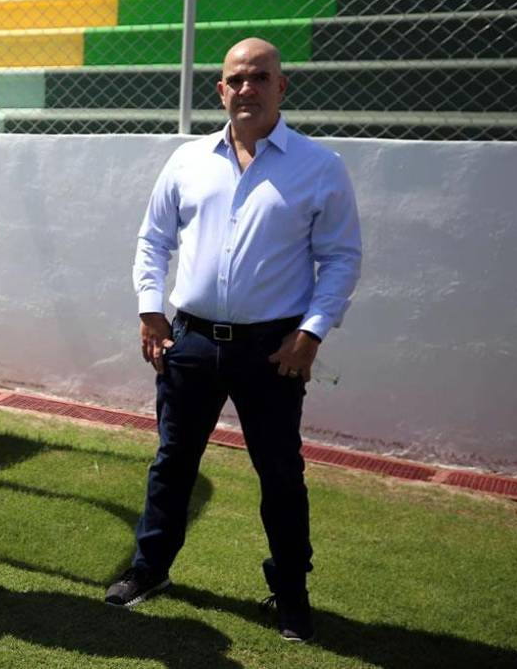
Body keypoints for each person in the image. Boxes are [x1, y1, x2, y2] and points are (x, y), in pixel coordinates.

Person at [107, 38, 362, 642]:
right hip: (189, 343)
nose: (246, 88)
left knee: (279, 472)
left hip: (273, 350)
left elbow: (342, 260)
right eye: (235, 79)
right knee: (172, 464)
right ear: (219, 90)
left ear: (282, 86)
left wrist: (310, 334)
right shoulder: (188, 161)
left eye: (259, 77)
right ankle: (151, 570)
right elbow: (153, 242)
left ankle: (291, 592)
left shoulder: (318, 167)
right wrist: (150, 312)